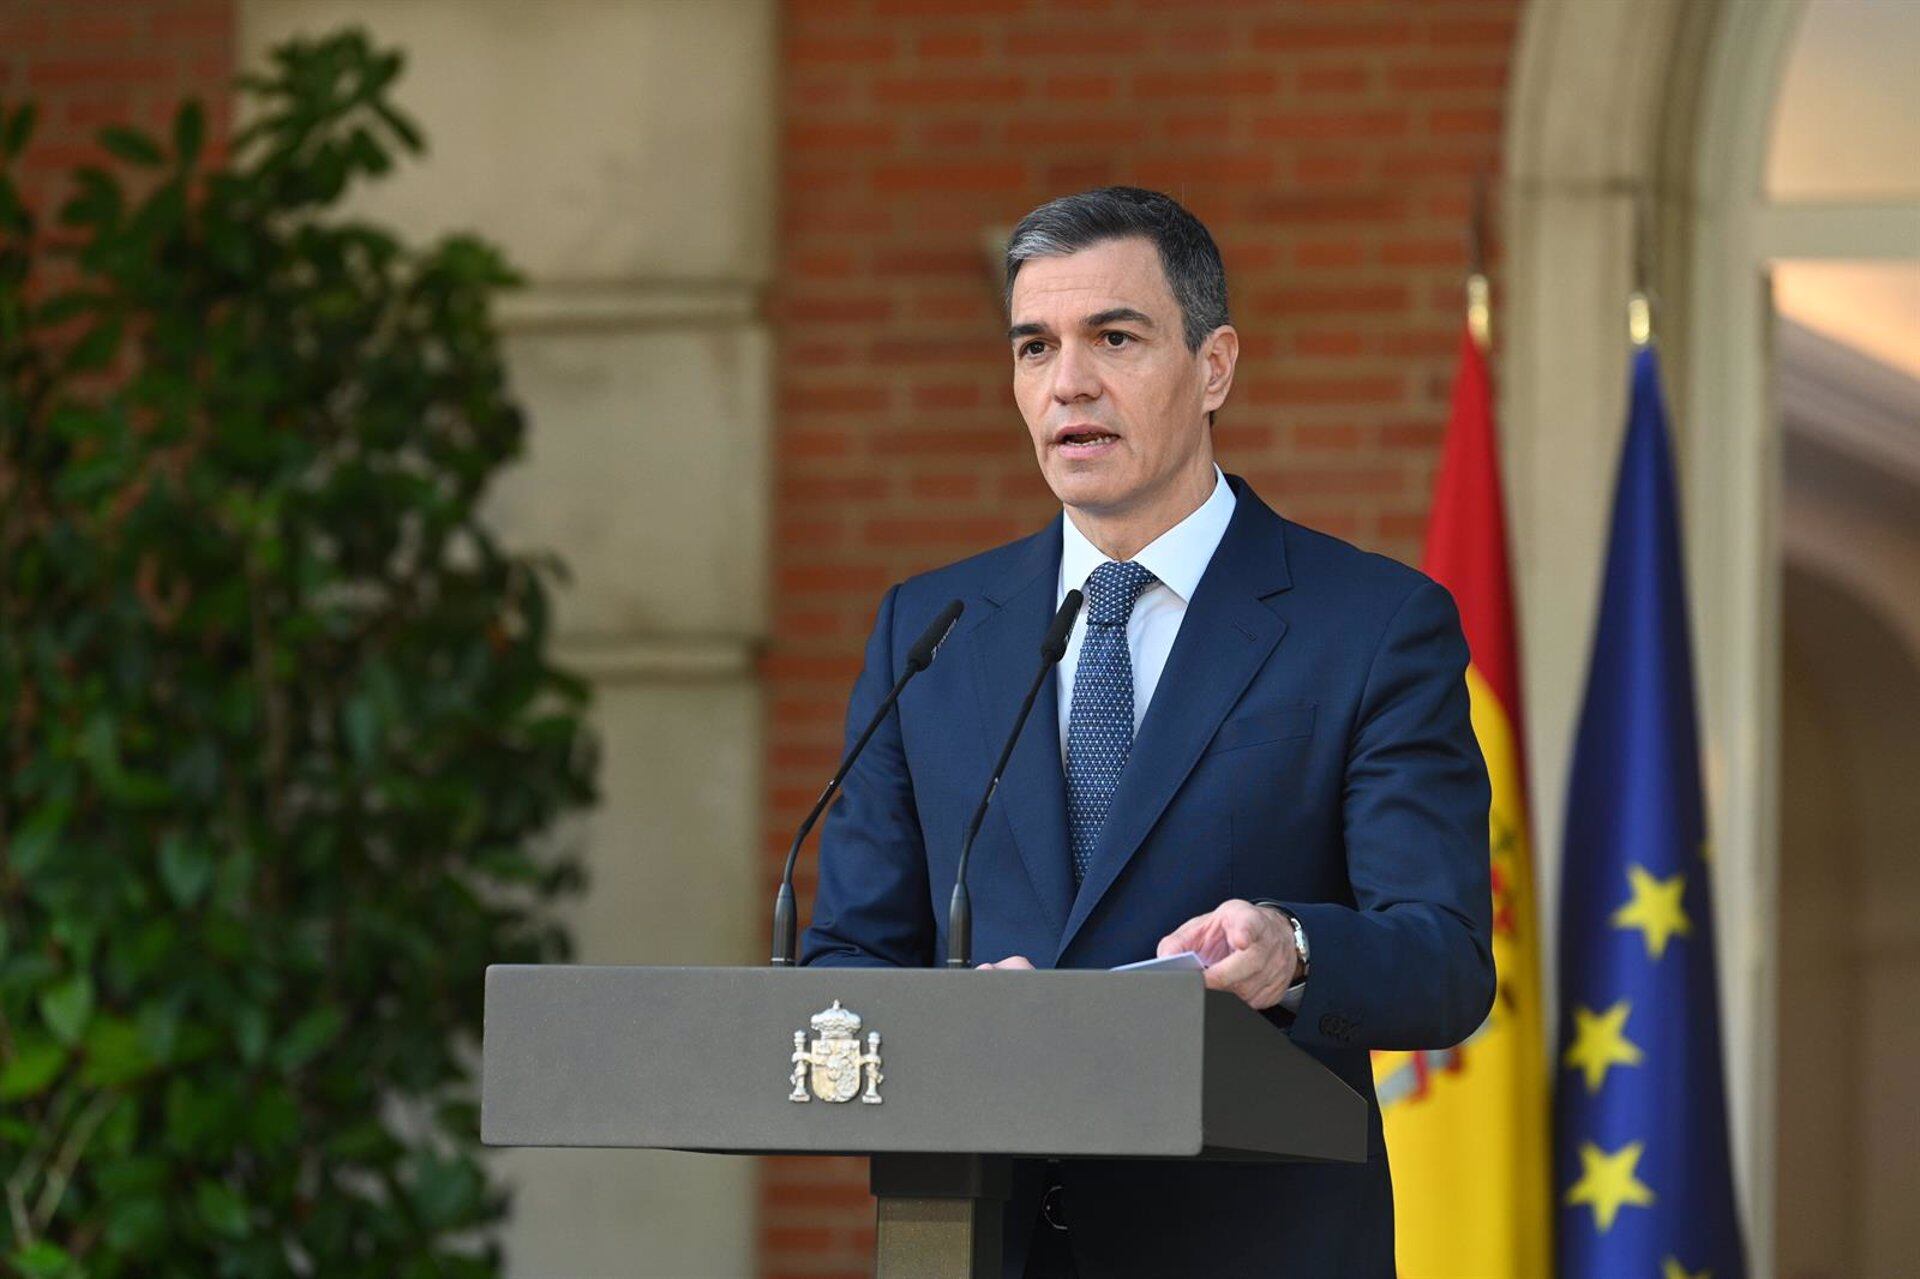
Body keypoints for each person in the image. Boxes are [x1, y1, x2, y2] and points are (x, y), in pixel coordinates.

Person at [802, 187, 1494, 1279]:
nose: (1067, 382)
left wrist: (1292, 951)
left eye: (1113, 338)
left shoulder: (1368, 626)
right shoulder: (931, 633)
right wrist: (951, 1019)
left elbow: (1445, 961)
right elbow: (847, 954)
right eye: (1035, 347)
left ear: (1214, 366)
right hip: (982, 1238)